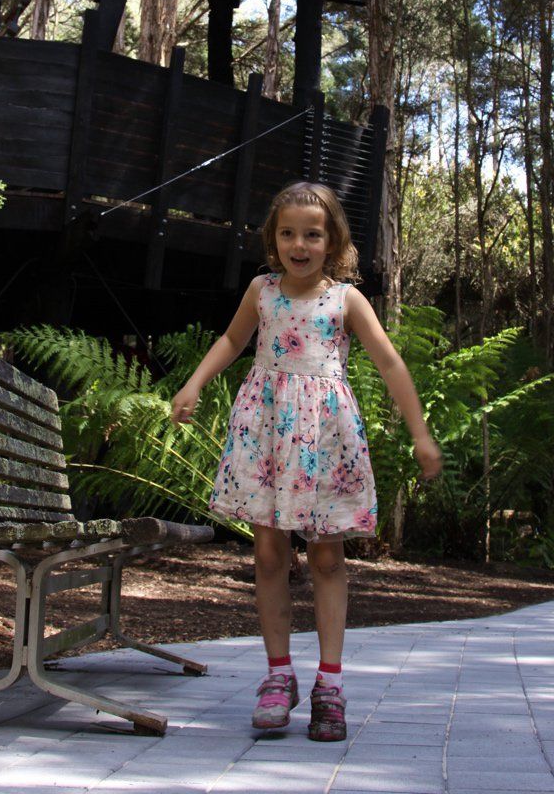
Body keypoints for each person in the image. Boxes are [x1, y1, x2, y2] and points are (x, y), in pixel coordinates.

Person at [171, 181, 441, 741]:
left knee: (325, 557)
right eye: (288, 233)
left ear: (332, 240)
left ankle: (330, 685)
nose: (299, 244)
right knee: (269, 554)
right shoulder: (261, 291)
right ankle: (277, 677)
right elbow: (231, 340)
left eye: (312, 235)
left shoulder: (345, 300)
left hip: (325, 438)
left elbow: (389, 363)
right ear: (273, 239)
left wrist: (420, 434)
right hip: (265, 431)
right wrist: (195, 382)